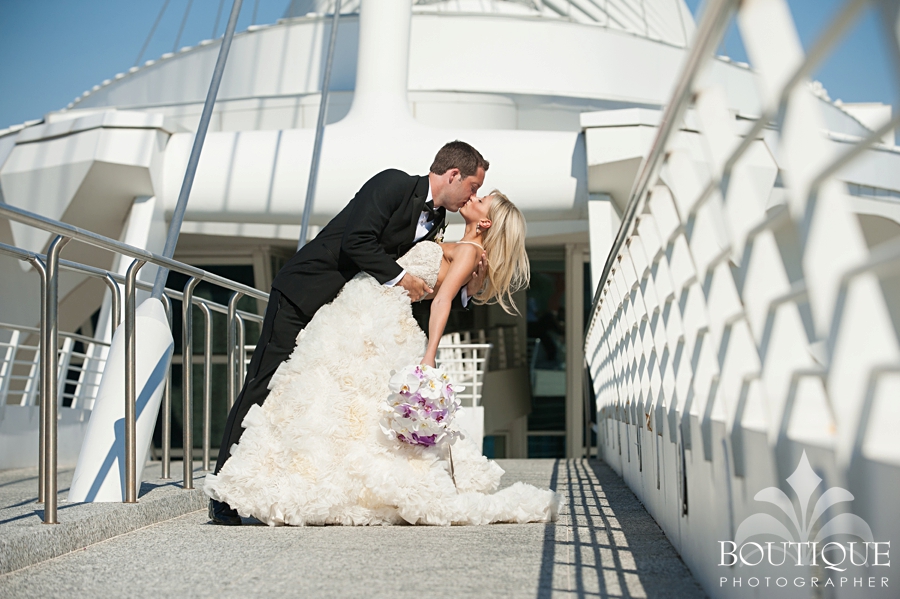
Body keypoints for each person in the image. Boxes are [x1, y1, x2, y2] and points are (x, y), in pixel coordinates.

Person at [204, 189, 560, 526]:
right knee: (335, 397)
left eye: (482, 199)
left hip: (375, 317)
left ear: (485, 223)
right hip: (367, 310)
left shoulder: (468, 249)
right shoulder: (459, 245)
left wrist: (430, 354)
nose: (474, 197)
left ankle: (302, 478)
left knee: (333, 394)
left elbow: (442, 301)